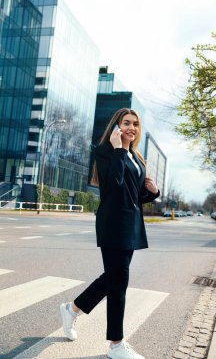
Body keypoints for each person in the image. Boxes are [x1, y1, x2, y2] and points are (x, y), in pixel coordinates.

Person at [60, 108, 160, 359]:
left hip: (131, 224)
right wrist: (117, 150)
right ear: (116, 126)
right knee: (118, 281)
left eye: (135, 124)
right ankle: (116, 345)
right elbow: (113, 189)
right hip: (113, 223)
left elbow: (133, 195)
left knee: (115, 278)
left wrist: (153, 192)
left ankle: (72, 309)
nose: (131, 128)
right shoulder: (106, 151)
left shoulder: (136, 156)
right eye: (126, 123)